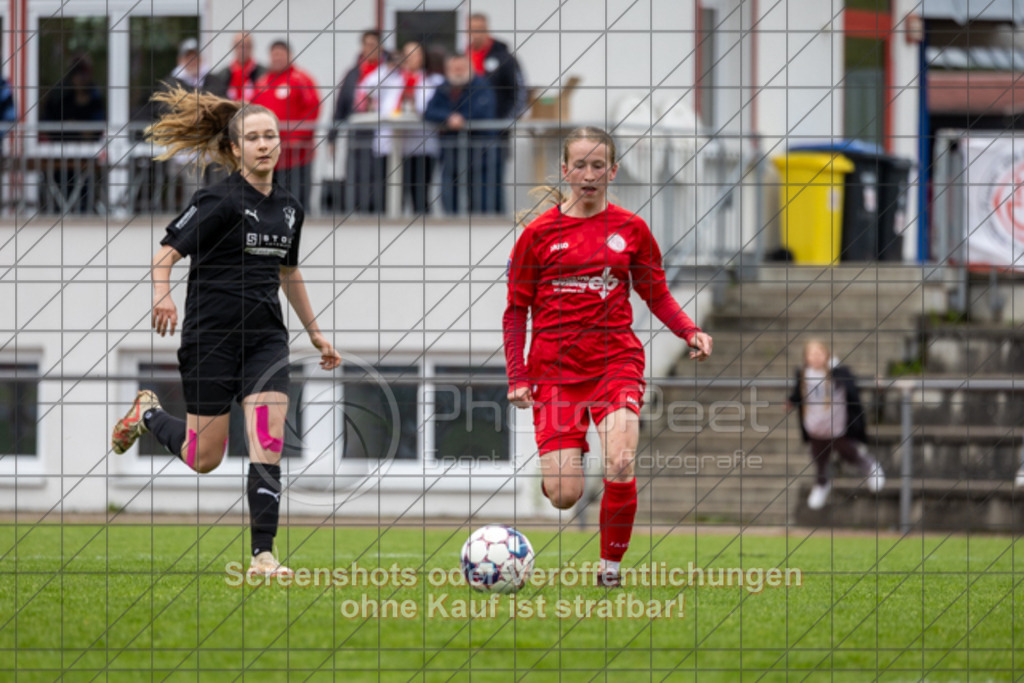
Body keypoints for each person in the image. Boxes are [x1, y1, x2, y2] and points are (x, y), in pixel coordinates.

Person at [109, 84, 342, 577]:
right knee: (204, 456)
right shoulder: (217, 199)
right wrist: (162, 294)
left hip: (265, 343)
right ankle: (148, 413)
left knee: (268, 440)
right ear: (235, 148)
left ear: (281, 144)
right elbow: (164, 256)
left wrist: (316, 333)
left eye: (271, 136)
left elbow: (288, 271)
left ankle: (264, 555)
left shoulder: (290, 208)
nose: (264, 144)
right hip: (210, 339)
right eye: (253, 137)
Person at [503, 127, 713, 587]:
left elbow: (656, 293)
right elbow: (516, 311)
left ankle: (609, 572)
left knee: (620, 461)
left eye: (599, 166)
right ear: (565, 171)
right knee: (563, 493)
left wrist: (689, 330)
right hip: (554, 371)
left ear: (613, 171)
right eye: (580, 165)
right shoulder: (537, 237)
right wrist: (517, 375)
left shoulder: (631, 230)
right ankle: (563, 458)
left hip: (614, 362)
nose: (589, 174)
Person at [787, 340, 885, 510]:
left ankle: (871, 468)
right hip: (815, 428)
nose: (816, 358)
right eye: (812, 354)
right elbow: (798, 395)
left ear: (827, 355)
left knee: (849, 453)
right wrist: (790, 402)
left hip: (836, 428)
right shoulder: (803, 374)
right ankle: (822, 485)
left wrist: (874, 381)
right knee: (819, 460)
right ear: (806, 357)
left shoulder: (837, 373)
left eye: (819, 354)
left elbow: (855, 382)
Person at [466, 12, 526, 213]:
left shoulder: (505, 58)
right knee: (471, 183)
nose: (476, 34)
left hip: (496, 134)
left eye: (480, 30)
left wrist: (505, 122)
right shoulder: (462, 57)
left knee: (494, 181)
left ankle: (496, 221)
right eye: (472, 30)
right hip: (468, 135)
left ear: (487, 30)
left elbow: (520, 94)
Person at [252, 40, 320, 211]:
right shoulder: (262, 82)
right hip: (269, 158)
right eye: (274, 55)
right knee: (270, 203)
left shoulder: (301, 79)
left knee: (296, 202)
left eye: (280, 54)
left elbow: (312, 109)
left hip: (296, 156)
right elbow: (253, 112)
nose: (277, 59)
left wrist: (296, 138)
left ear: (290, 55)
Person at [329, 30, 392, 214]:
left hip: (381, 134)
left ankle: (378, 212)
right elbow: (341, 106)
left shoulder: (389, 71)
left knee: (378, 177)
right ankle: (357, 212)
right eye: (367, 45)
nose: (370, 49)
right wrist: (332, 137)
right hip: (357, 133)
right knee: (356, 176)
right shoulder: (353, 73)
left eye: (374, 45)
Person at [424, 54, 495, 214]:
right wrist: (448, 118)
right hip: (451, 152)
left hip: (479, 152)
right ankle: (450, 227)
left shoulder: (482, 86)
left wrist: (462, 119)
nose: (457, 72)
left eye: (461, 68)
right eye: (454, 69)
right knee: (449, 194)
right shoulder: (444, 88)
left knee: (479, 197)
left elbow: (483, 111)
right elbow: (429, 111)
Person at [397, 41, 444, 214]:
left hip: (424, 144)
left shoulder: (434, 80)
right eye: (407, 54)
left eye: (415, 54)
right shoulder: (395, 78)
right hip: (399, 146)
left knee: (421, 192)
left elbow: (428, 108)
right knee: (400, 192)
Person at [215, 31, 265, 102]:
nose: (242, 50)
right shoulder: (222, 75)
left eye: (246, 46)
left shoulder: (263, 74)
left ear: (252, 47)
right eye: (238, 46)